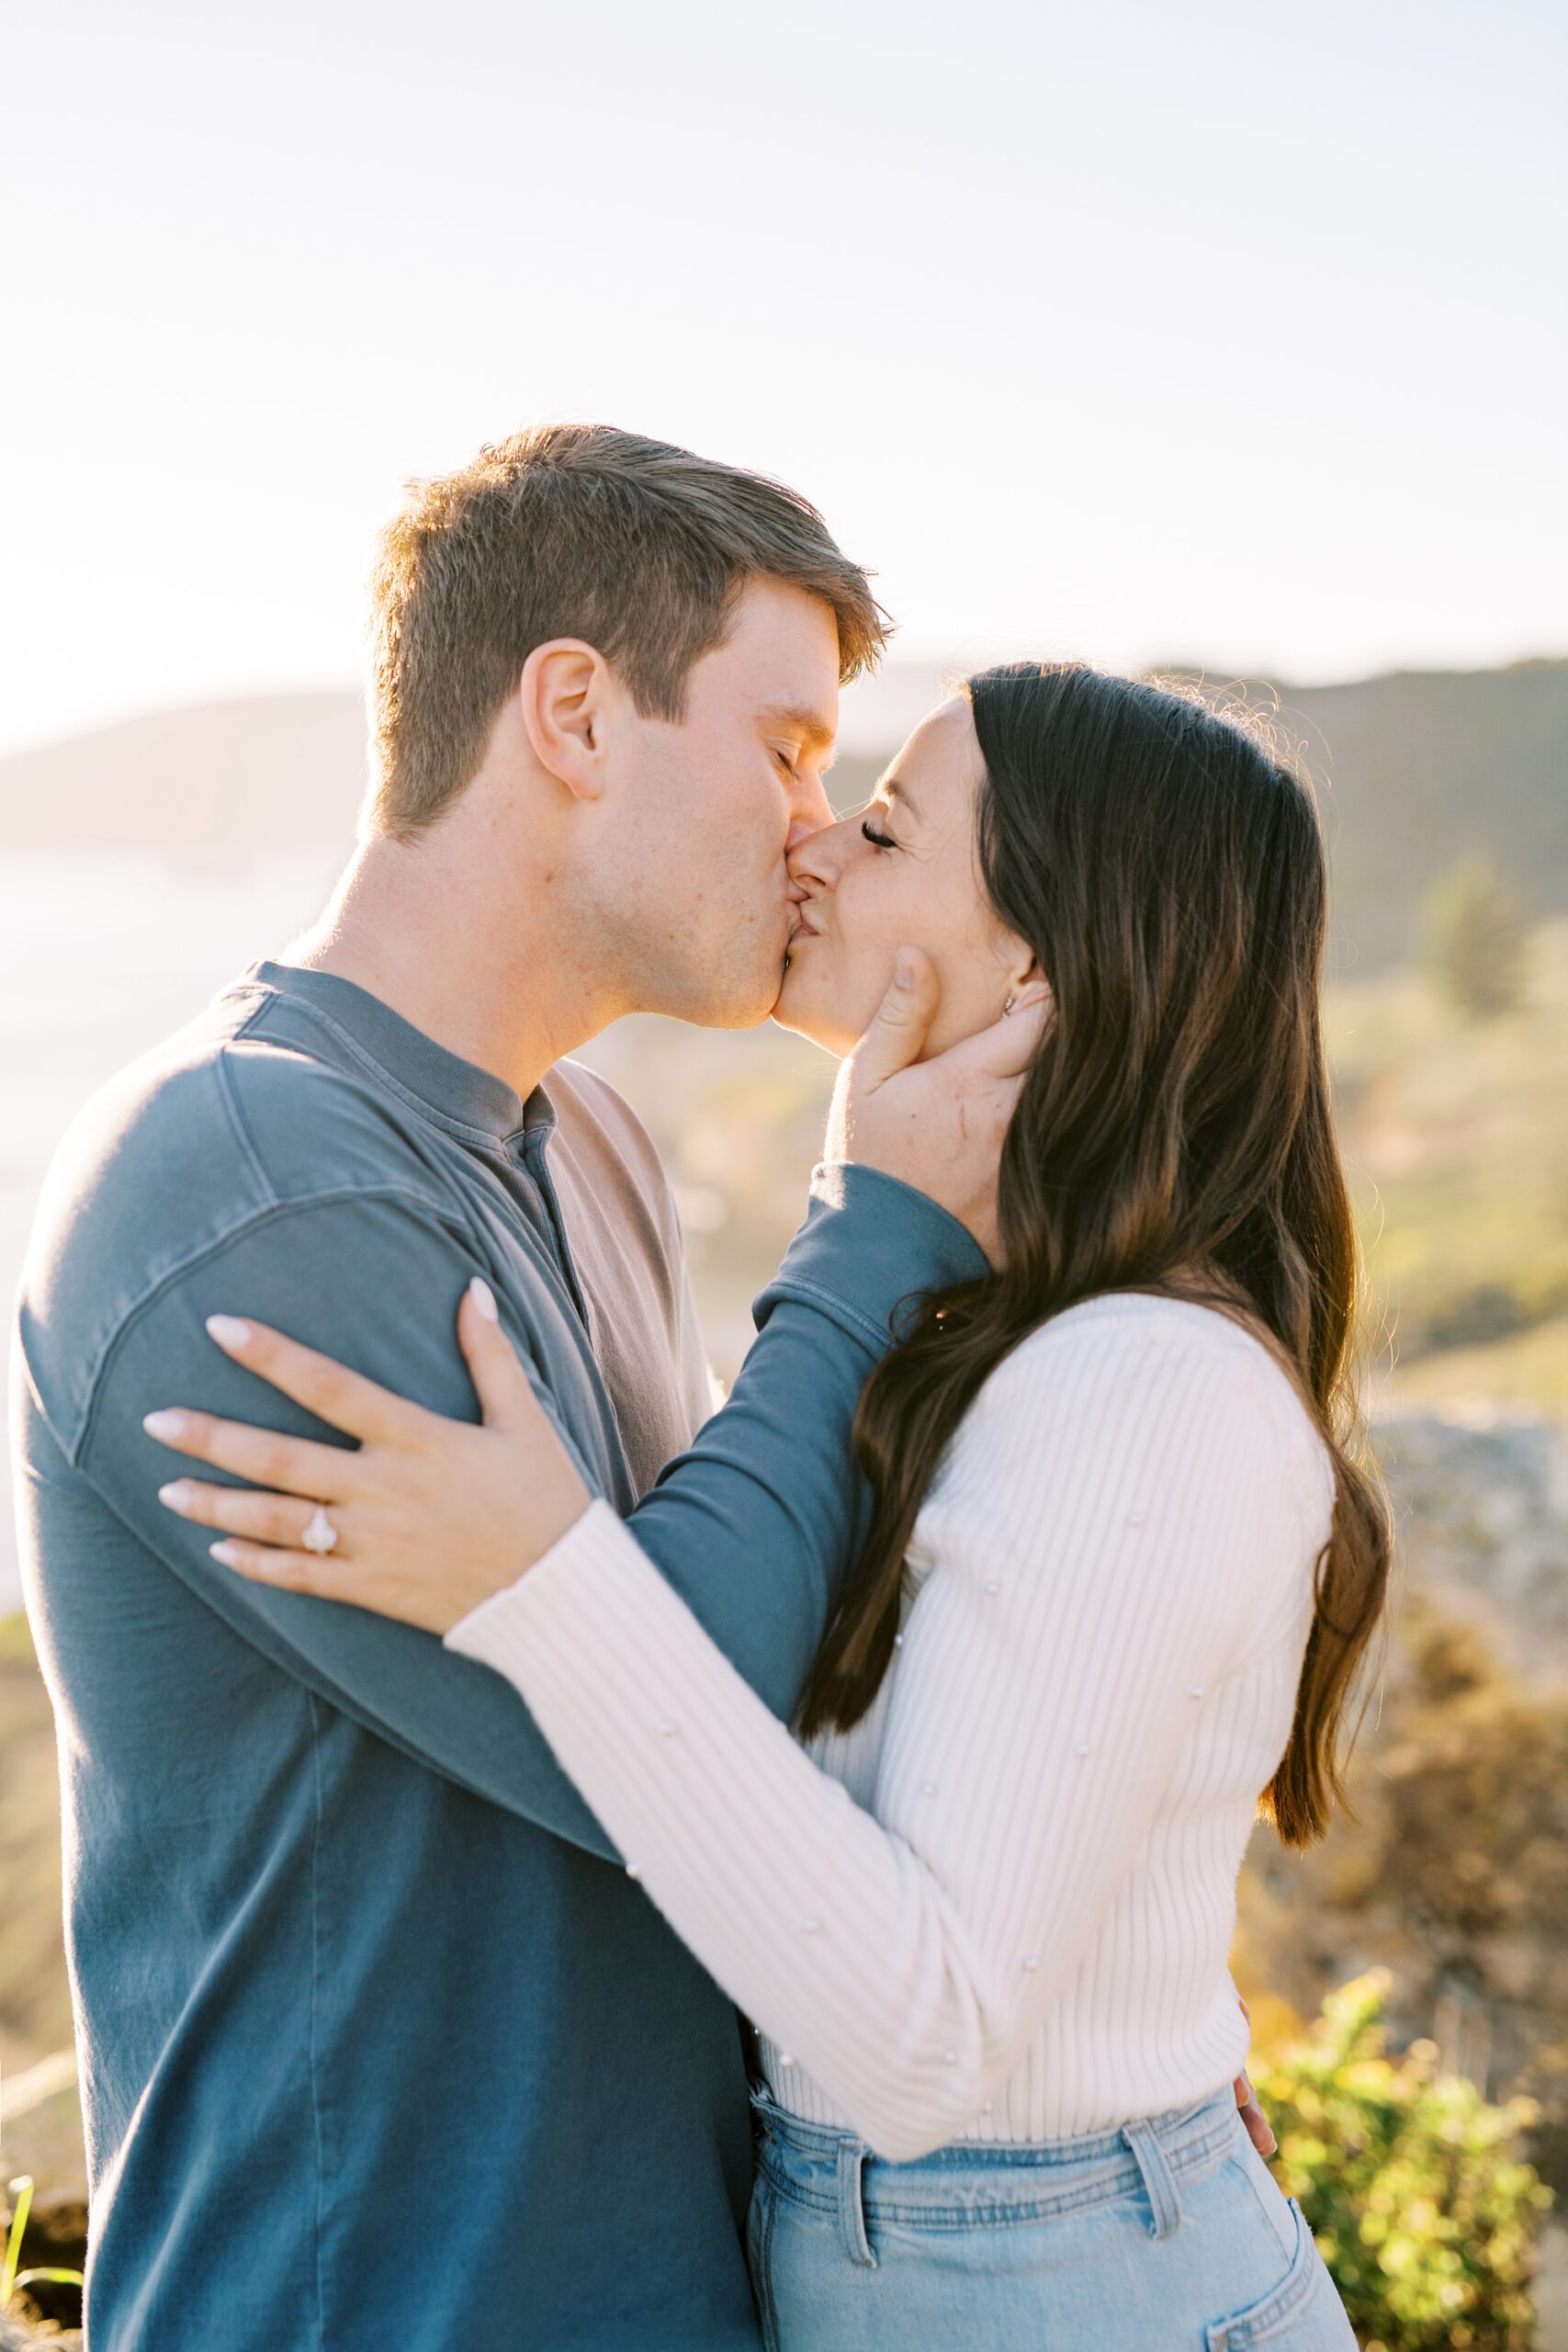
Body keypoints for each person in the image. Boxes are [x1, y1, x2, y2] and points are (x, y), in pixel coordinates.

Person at [152, 665, 1388, 2349]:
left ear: (1036, 960)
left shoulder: (1141, 1389)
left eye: (884, 829)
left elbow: (926, 2042)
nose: (812, 845)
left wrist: (543, 1576)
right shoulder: (978, 1324)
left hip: (1063, 2283)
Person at [11, 424, 1044, 2351]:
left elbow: (776, 1697)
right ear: (571, 708)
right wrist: (878, 1227)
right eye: (784, 745)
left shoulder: (593, 1145)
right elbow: (681, 1715)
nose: (816, 826)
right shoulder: (244, 1184)